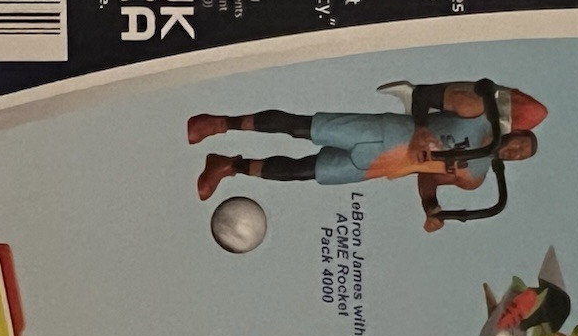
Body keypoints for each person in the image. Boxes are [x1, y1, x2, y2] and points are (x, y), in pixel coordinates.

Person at [187, 80, 547, 231]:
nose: (514, 152)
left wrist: (431, 208)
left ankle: (228, 165)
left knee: (302, 171)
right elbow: (423, 95)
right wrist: (422, 129)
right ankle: (220, 123)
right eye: (519, 144)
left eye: (519, 157)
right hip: (384, 132)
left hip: (382, 166)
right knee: (301, 127)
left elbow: (428, 177)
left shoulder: (475, 176)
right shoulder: (477, 111)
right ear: (513, 131)